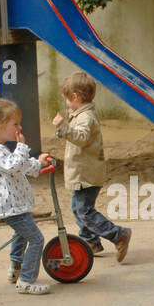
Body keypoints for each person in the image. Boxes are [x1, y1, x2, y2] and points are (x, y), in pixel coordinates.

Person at [0, 100, 54, 295]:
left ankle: (16, 268)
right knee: (36, 239)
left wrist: (39, 163)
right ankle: (26, 280)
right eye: (15, 124)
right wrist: (22, 146)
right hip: (8, 207)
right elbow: (15, 165)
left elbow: (19, 166)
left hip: (11, 205)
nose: (19, 128)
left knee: (22, 233)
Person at [51, 72, 132, 262]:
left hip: (86, 174)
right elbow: (76, 135)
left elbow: (81, 138)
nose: (66, 103)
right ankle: (91, 241)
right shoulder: (81, 115)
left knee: (84, 211)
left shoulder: (86, 117)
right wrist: (63, 130)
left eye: (67, 99)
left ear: (75, 97)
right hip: (83, 173)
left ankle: (118, 234)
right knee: (78, 208)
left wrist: (63, 127)